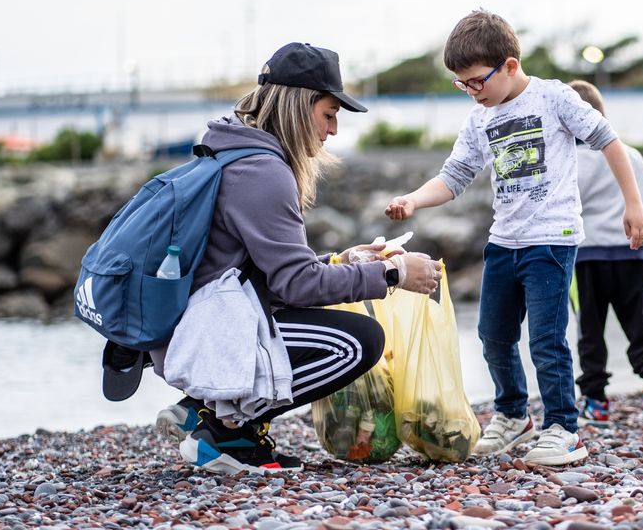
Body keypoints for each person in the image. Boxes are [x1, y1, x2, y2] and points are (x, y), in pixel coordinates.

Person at [133, 42, 442, 474]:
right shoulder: (263, 172)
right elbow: (295, 286)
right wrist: (393, 273)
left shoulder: (231, 150)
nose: (333, 129)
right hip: (208, 334)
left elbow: (262, 270)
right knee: (357, 343)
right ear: (299, 106)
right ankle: (228, 434)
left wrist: (342, 261)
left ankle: (202, 407)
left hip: (197, 323)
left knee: (340, 330)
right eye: (329, 114)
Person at [384, 10, 643, 466]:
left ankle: (564, 428)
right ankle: (512, 415)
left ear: (509, 65)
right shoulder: (479, 119)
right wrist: (412, 200)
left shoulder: (553, 98)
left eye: (475, 81)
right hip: (504, 240)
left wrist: (634, 204)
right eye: (462, 84)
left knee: (546, 339)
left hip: (552, 237)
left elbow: (609, 141)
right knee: (493, 334)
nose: (471, 91)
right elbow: (455, 176)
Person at [566, 80, 643, 427]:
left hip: (585, 258)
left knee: (590, 329)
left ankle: (597, 401)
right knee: (639, 322)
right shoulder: (631, 156)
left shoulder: (567, 160)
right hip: (629, 254)